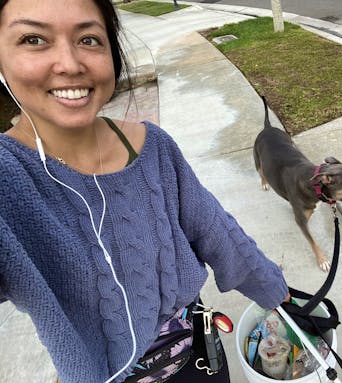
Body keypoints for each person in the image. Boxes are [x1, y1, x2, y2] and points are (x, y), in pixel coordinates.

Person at [0, 1, 290, 382]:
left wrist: (271, 288)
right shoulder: (7, 179)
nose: (69, 63)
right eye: (33, 38)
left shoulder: (153, 147)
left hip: (199, 359)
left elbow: (215, 229)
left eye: (89, 39)